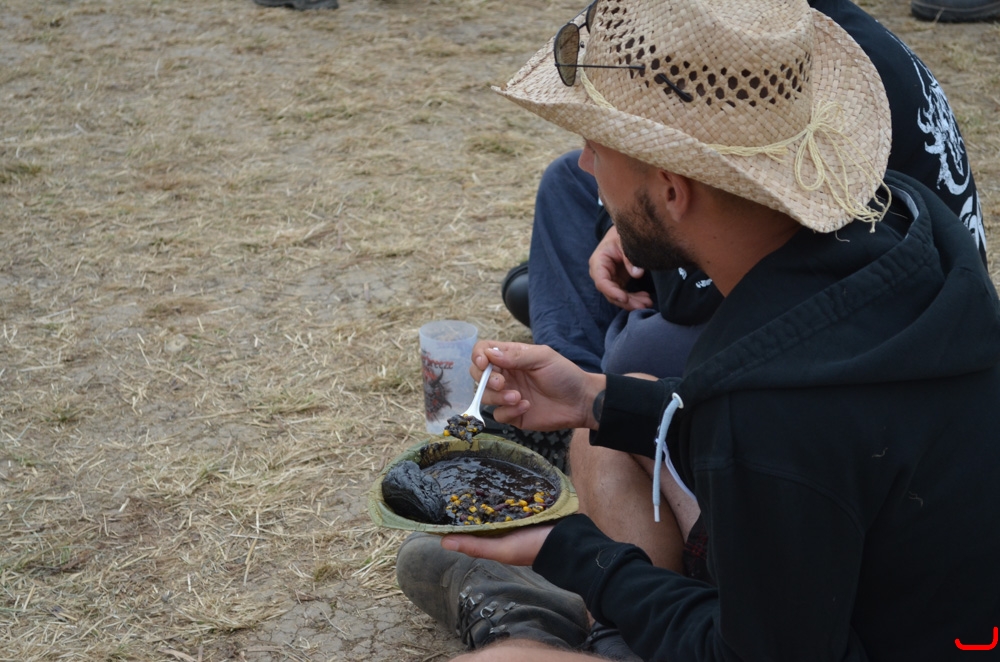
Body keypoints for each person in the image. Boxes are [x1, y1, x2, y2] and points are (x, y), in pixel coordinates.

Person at [395, 0, 1000, 659]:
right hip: (867, 593)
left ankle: (543, 629)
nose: (584, 166)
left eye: (598, 145)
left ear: (673, 188)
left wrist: (574, 552)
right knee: (603, 426)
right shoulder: (900, 223)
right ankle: (608, 631)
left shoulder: (768, 406)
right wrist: (592, 397)